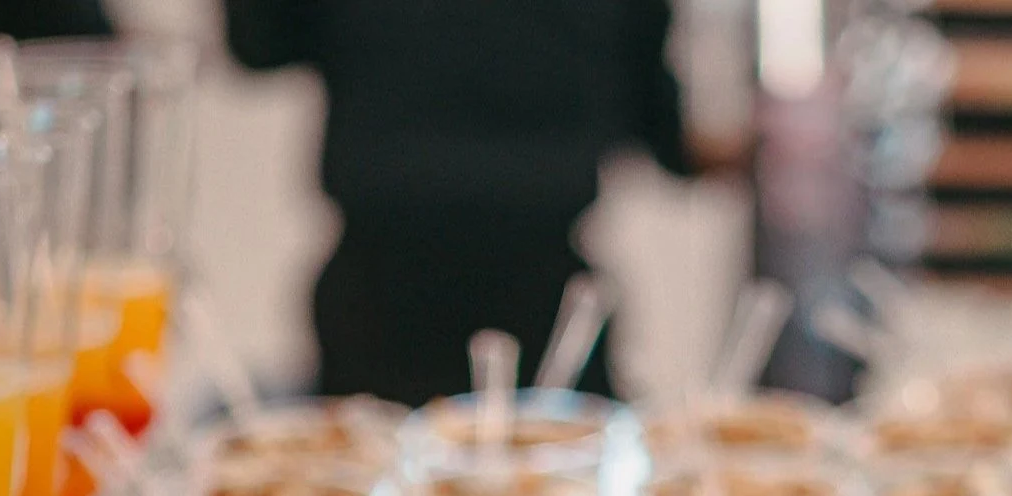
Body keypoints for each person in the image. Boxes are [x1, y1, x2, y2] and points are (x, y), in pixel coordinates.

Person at [223, 0, 689, 403]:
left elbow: (259, 42)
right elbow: (258, 42)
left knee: (557, 485)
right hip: (384, 295)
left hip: (540, 299)